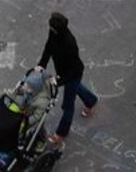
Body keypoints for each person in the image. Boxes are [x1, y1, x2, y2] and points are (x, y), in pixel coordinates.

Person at [35, 12, 98, 145]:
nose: (50, 30)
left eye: (52, 29)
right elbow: (48, 47)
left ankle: (61, 133)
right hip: (64, 72)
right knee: (76, 88)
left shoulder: (70, 44)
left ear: (59, 29)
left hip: (73, 74)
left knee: (68, 105)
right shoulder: (54, 33)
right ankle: (91, 100)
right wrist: (42, 65)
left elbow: (73, 70)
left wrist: (58, 82)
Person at [10, 70, 54, 153]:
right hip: (25, 111)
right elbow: (22, 92)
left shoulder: (42, 102)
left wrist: (26, 122)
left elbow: (37, 117)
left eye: (27, 86)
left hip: (33, 117)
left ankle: (41, 141)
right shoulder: (29, 91)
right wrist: (18, 90)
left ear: (33, 89)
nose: (25, 87)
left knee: (39, 127)